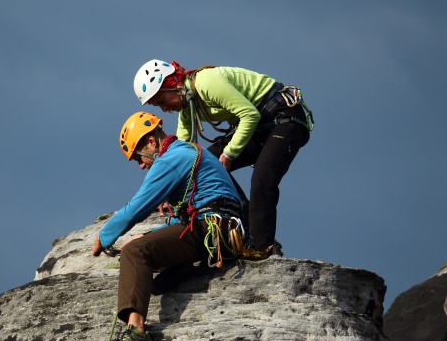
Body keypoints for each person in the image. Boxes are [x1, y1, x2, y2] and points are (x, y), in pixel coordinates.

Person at [92, 111, 243, 341]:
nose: (141, 165)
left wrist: (104, 236)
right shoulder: (185, 152)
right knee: (157, 283)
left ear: (151, 141)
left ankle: (136, 329)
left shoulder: (171, 159)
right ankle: (186, 271)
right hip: (218, 227)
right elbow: (182, 218)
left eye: (138, 158)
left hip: (210, 226)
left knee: (134, 251)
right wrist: (150, 234)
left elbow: (138, 207)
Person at [133, 59, 313, 258]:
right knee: (204, 161)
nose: (164, 110)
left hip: (285, 119)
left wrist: (229, 155)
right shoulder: (188, 105)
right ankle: (245, 227)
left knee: (262, 180)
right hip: (263, 125)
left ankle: (262, 248)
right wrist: (163, 190)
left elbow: (249, 115)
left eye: (161, 102)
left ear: (171, 85)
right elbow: (182, 156)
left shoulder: (206, 83)